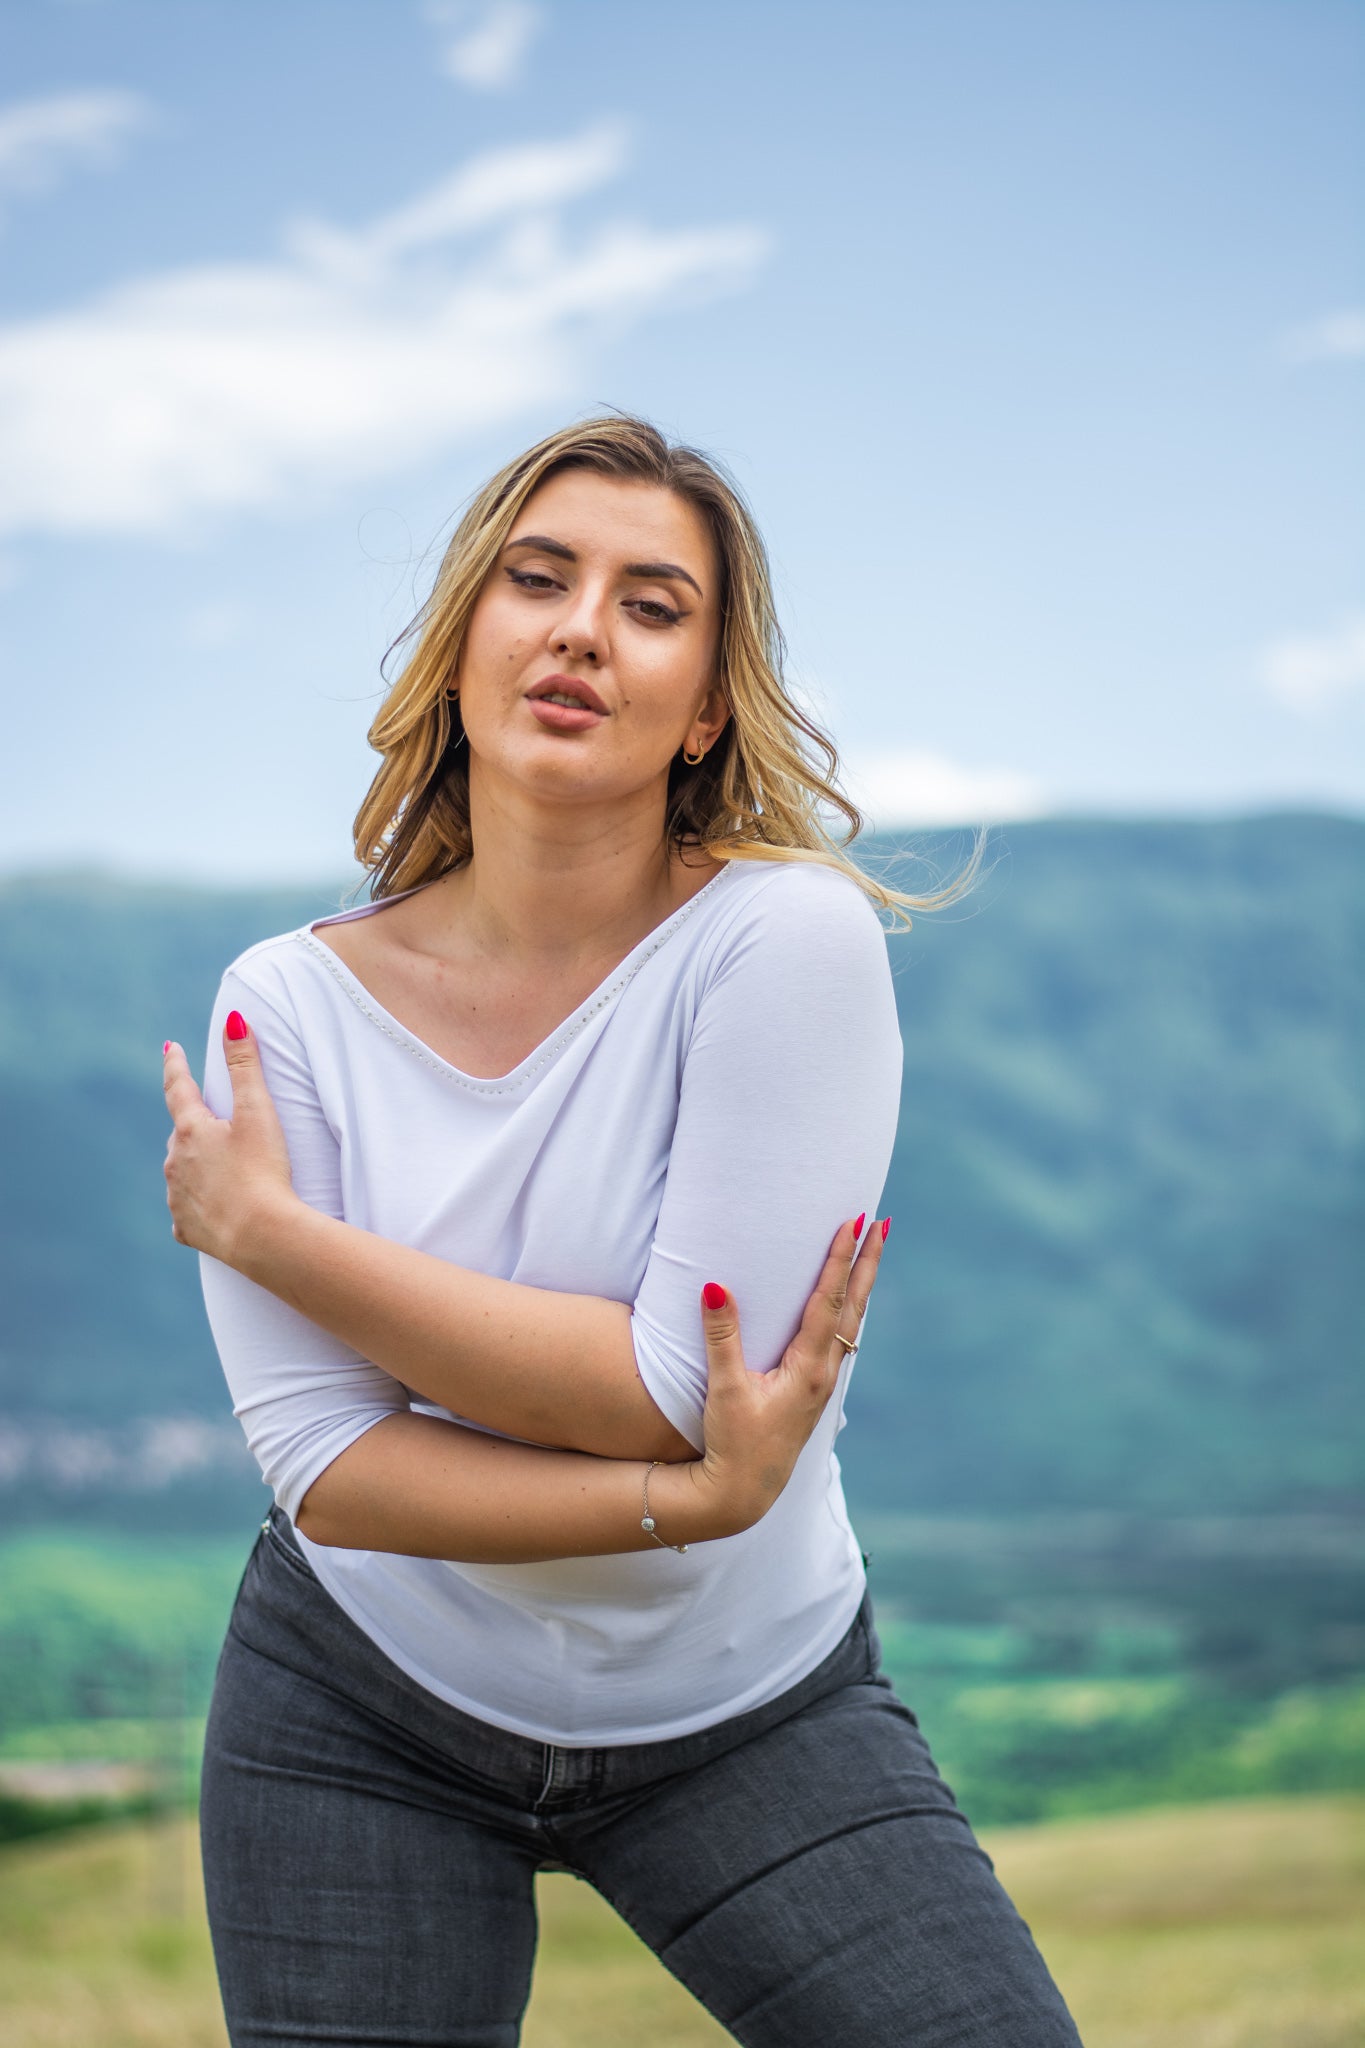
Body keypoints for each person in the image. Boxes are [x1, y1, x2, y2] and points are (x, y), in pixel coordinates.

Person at [161, 413, 1083, 2047]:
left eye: (654, 604)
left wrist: (278, 1239)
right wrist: (687, 1498)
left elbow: (672, 1378)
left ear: (706, 706)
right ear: (465, 644)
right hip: (354, 1704)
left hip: (749, 1706)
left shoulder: (779, 943)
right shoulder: (281, 1010)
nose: (584, 625)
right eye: (538, 579)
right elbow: (333, 1471)